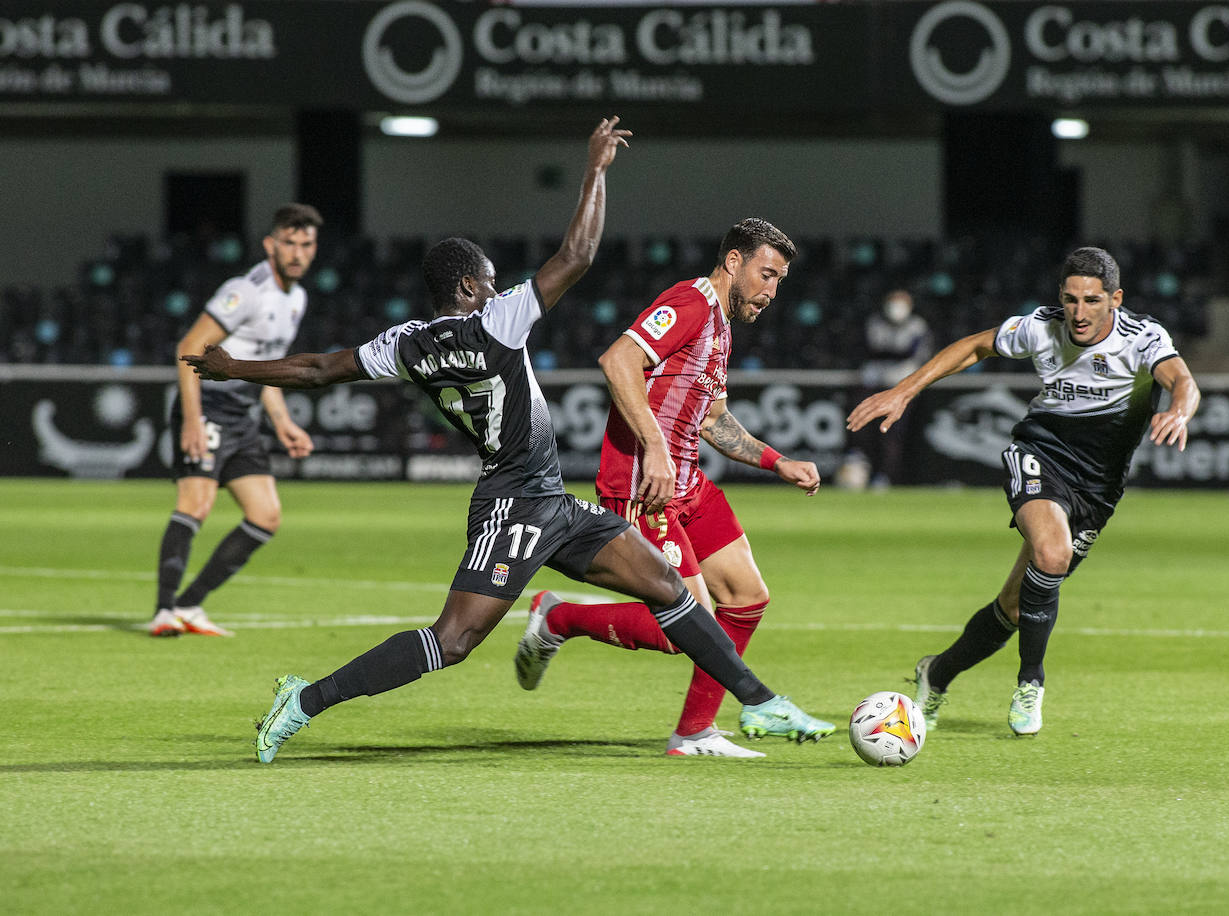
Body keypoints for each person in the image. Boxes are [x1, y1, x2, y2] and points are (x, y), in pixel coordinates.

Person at [182, 119, 834, 763]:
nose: (500, 287)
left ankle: (759, 701)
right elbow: (575, 257)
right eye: (491, 279)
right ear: (470, 288)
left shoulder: (404, 345)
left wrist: (235, 366)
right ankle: (305, 700)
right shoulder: (495, 321)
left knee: (667, 586)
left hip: (550, 499)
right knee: (454, 640)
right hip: (512, 505)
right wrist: (594, 173)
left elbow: (319, 369)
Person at [847, 247, 1200, 736]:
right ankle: (1030, 681)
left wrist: (1179, 409)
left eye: (1092, 301)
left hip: (1098, 488)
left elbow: (1182, 380)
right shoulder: (1041, 326)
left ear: (1115, 300)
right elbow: (974, 346)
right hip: (1040, 454)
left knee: (1016, 606)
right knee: (1051, 554)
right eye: (1071, 299)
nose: (1079, 312)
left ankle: (937, 673)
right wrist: (905, 390)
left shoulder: (1143, 338)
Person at [511, 218, 826, 759]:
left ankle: (694, 733)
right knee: (680, 625)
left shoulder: (722, 327)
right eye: (767, 275)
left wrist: (777, 462)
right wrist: (655, 447)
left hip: (688, 482)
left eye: (779, 282)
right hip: (642, 484)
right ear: (733, 262)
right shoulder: (689, 303)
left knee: (747, 598)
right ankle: (558, 616)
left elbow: (713, 420)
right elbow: (618, 360)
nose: (772, 292)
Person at [149, 203, 323, 637]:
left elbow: (265, 369)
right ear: (271, 245)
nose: (298, 253)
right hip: (206, 406)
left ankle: (190, 606)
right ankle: (163, 611)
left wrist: (282, 422)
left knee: (266, 515)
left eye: (306, 244)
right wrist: (192, 420)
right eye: (289, 243)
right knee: (196, 504)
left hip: (241, 416)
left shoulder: (297, 298)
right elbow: (189, 346)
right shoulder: (246, 291)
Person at [854, 288, 933, 488]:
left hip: (902, 387)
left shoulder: (917, 326)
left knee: (893, 435)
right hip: (875, 384)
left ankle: (887, 476)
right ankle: (866, 470)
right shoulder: (875, 323)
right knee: (867, 433)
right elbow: (869, 350)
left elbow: (911, 353)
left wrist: (887, 353)